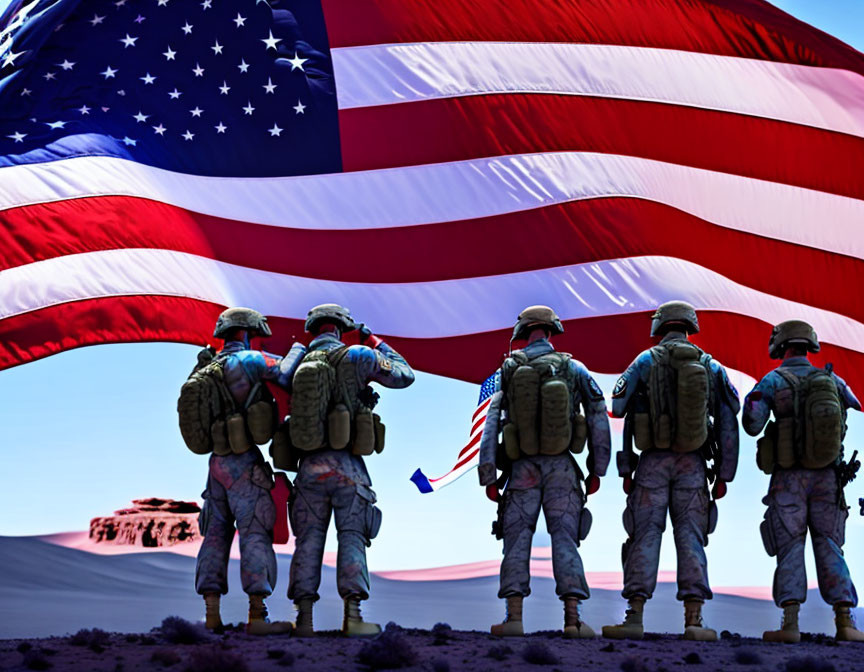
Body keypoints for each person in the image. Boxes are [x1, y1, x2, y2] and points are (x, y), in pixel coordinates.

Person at [603, 301, 739, 641]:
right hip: (693, 465)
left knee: (644, 536)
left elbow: (617, 407)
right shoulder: (710, 366)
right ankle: (694, 621)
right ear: (690, 326)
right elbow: (728, 422)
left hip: (652, 463)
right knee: (692, 538)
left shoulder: (645, 361)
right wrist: (725, 474)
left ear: (659, 327)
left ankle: (634, 617)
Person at [477, 305, 611, 638]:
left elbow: (489, 421)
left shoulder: (507, 369)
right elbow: (598, 416)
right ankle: (573, 621)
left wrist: (488, 474)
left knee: (515, 542)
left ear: (522, 333)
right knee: (566, 540)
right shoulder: (573, 367)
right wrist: (598, 468)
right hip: (562, 468)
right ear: (552, 332)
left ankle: (513, 619)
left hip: (521, 469)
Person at [286, 304, 414, 637]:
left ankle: (303, 620)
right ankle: (353, 617)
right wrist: (373, 339)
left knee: (308, 542)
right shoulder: (358, 355)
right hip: (348, 468)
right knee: (353, 538)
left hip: (309, 467)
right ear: (343, 328)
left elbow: (280, 386)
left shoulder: (298, 362)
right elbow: (405, 375)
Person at [742, 320, 864, 643]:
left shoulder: (772, 381)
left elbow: (752, 424)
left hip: (789, 478)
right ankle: (845, 622)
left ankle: (790, 625)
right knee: (830, 545)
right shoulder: (831, 380)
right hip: (828, 478)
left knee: (790, 546)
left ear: (781, 346)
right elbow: (855, 405)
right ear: (810, 346)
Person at [191, 307, 306, 634]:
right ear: (246, 331)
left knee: (214, 535)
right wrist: (297, 349)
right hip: (244, 464)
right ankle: (257, 615)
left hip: (215, 465)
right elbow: (284, 375)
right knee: (254, 532)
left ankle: (211, 615)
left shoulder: (205, 367)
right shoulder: (252, 361)